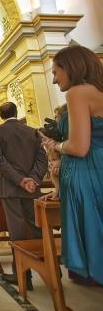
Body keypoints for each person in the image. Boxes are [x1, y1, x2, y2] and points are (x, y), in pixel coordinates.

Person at [42, 45, 103, 285]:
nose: (55, 80)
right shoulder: (98, 91)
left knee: (92, 226)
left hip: (87, 171)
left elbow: (79, 147)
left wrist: (56, 146)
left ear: (71, 67)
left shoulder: (77, 93)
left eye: (56, 72)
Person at [0, 102, 48, 289]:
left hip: (10, 188)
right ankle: (50, 270)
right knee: (36, 227)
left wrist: (19, 180)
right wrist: (32, 179)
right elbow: (42, 158)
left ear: (1, 115)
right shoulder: (32, 132)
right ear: (17, 112)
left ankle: (23, 275)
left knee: (17, 231)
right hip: (31, 189)